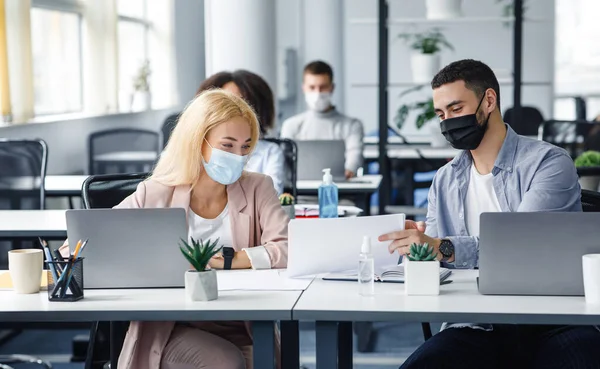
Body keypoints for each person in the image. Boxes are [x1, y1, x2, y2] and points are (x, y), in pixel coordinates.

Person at [377, 59, 600, 368]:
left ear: (489, 101)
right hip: (474, 324)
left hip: (551, 322)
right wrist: (417, 247)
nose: (447, 122)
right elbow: (436, 263)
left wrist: (443, 246)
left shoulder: (548, 163)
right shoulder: (444, 179)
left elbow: (521, 249)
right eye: (441, 114)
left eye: (456, 110)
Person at [66, 90, 288, 368]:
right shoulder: (155, 192)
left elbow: (287, 247)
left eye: (245, 147)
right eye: (227, 146)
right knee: (226, 363)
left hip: (244, 323)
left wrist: (230, 259)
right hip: (174, 325)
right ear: (198, 142)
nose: (238, 156)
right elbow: (83, 244)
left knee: (266, 363)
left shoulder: (258, 187)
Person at [198, 70, 286, 194]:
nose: (231, 109)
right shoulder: (193, 147)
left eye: (239, 103)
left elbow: (272, 195)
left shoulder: (270, 152)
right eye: (224, 103)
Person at [280, 60, 364, 179]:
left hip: (339, 194)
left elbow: (355, 156)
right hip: (300, 194)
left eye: (323, 87)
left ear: (332, 88)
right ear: (304, 88)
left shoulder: (352, 125)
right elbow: (285, 163)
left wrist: (350, 169)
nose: (317, 93)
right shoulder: (291, 125)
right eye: (312, 87)